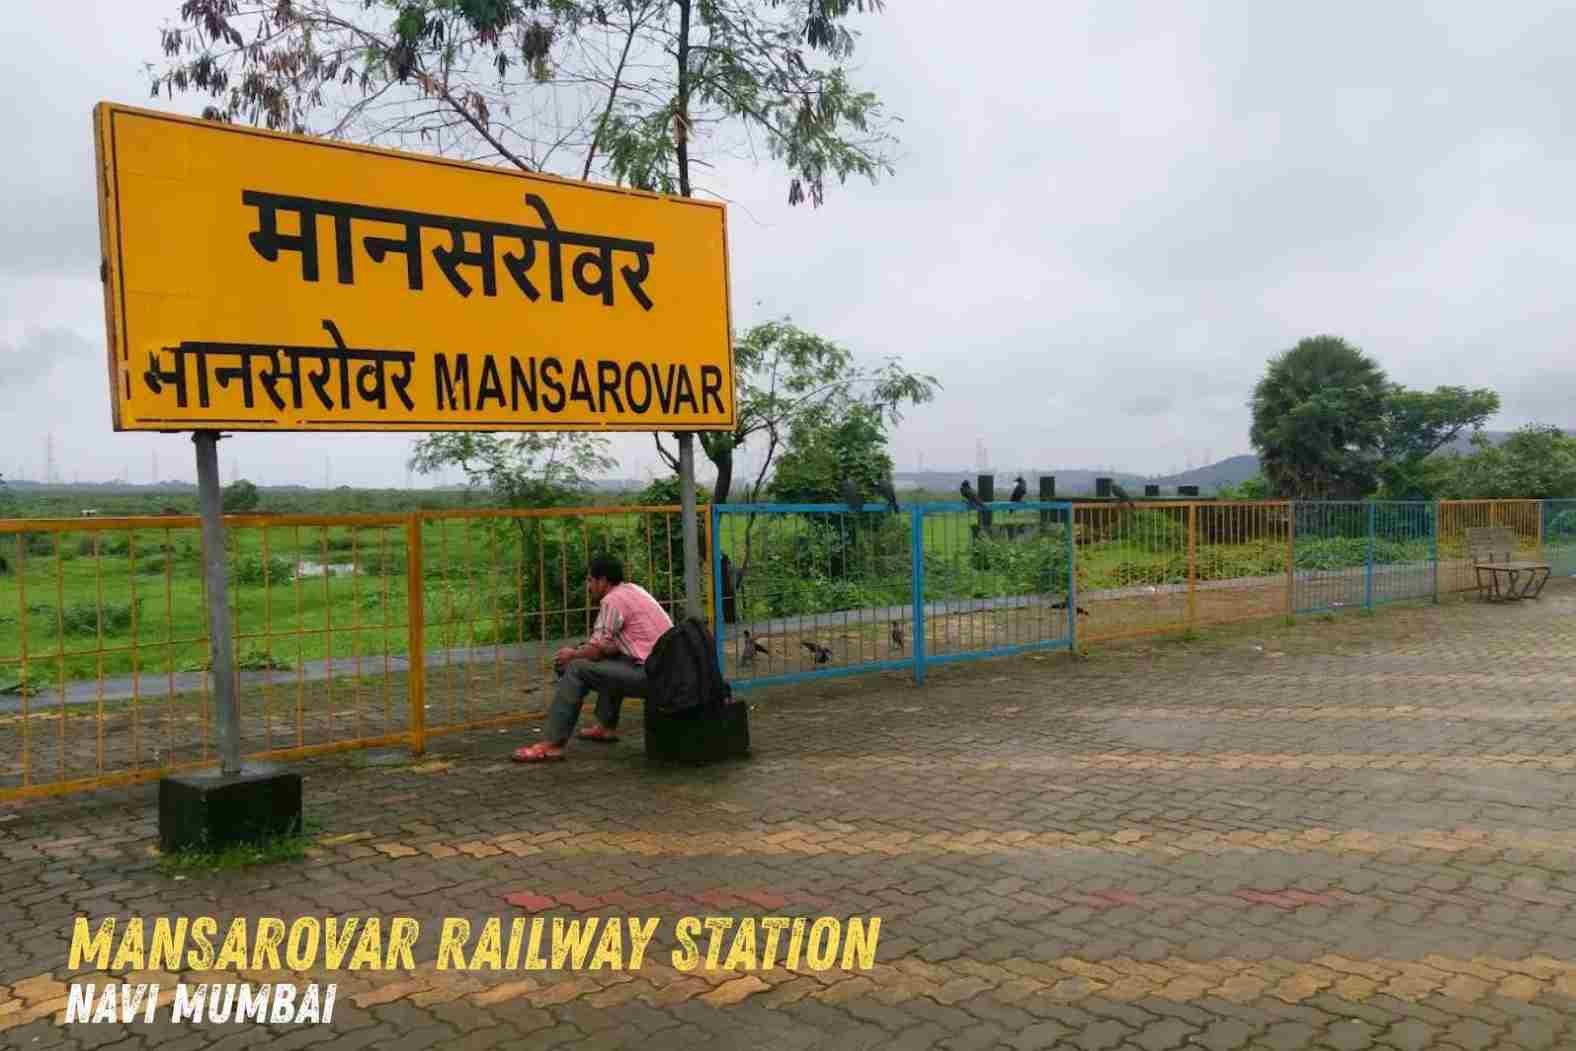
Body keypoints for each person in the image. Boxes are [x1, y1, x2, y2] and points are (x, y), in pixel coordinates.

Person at [512, 554, 674, 763]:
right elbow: (622, 644)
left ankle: (552, 744)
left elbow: (595, 650)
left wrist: (572, 654)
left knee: (577, 668)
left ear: (603, 581)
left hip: (652, 675)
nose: (588, 585)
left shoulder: (612, 601)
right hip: (668, 669)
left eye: (590, 580)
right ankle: (605, 727)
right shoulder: (634, 590)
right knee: (611, 662)